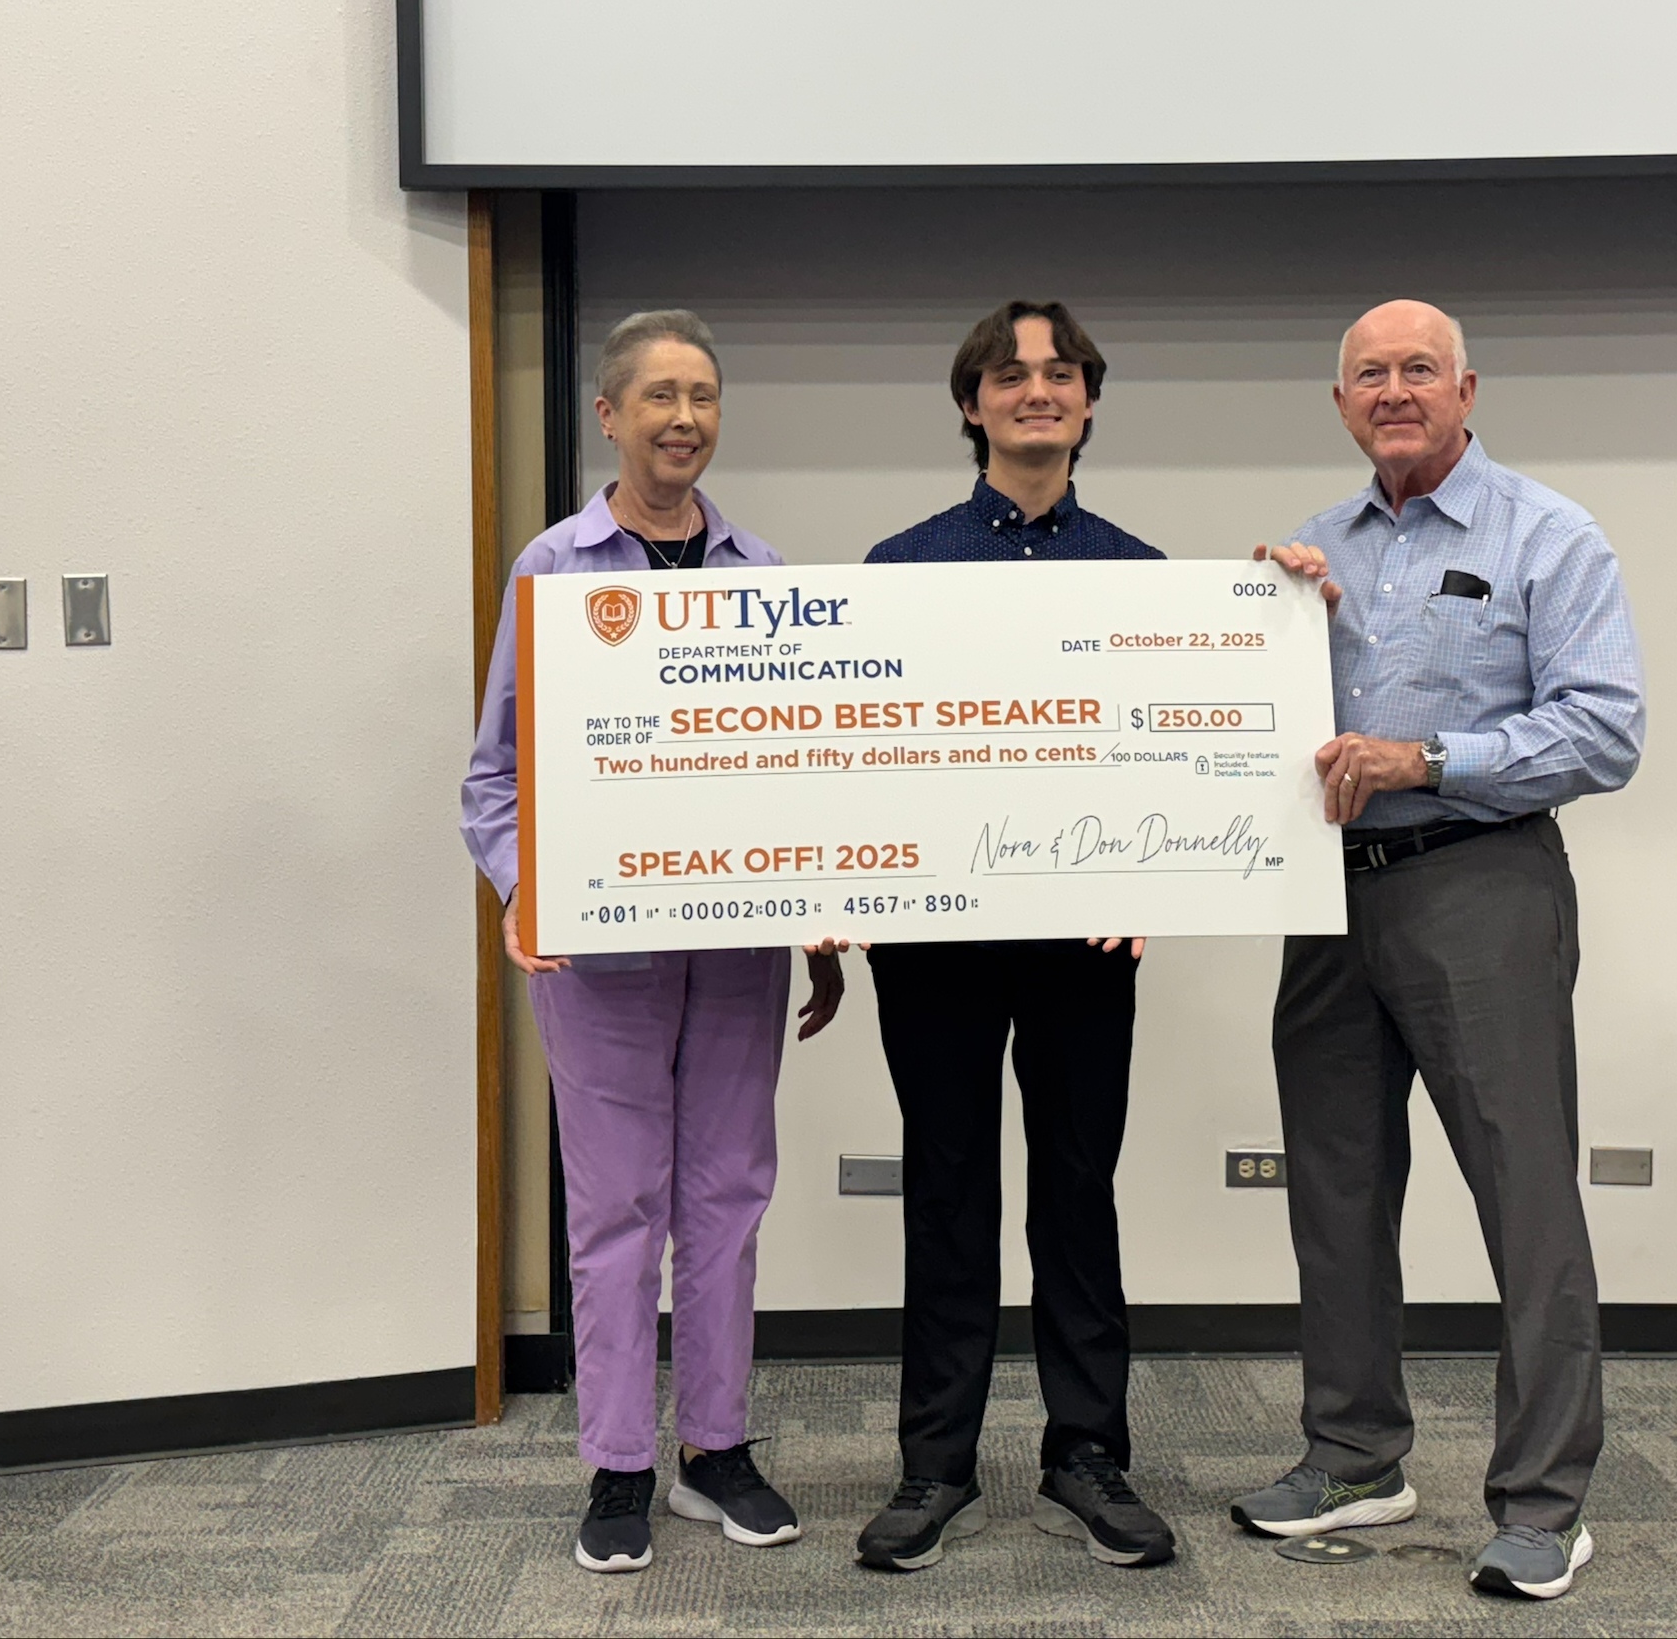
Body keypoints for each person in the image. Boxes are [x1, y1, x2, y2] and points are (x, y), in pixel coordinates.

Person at [1230, 299, 1644, 1602]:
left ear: (1467, 391)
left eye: (1420, 369)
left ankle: (1542, 1503)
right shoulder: (1313, 550)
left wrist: (1428, 759)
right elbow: (1271, 730)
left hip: (1481, 884)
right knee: (1334, 1192)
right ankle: (1353, 1455)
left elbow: (1605, 730)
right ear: (1340, 402)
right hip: (1329, 899)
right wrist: (1254, 630)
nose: (1394, 390)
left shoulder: (1547, 535)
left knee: (1524, 1195)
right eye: (1370, 373)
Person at [461, 309, 846, 1575]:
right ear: (609, 415)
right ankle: (619, 1461)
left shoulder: (765, 574)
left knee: (727, 1196)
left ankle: (714, 1449)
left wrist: (818, 914)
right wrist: (523, 888)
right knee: (617, 1202)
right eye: (659, 396)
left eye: (703, 396)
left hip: (736, 948)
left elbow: (794, 768)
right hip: (598, 955)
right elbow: (495, 777)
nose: (684, 418)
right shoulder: (552, 568)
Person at [850, 300, 1177, 1573]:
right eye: (1008, 374)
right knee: (946, 1189)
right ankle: (934, 1463)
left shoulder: (1146, 578)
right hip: (931, 940)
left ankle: (1086, 1453)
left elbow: (1168, 756)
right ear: (970, 404)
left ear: (1087, 400)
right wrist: (841, 876)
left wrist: (1154, 873)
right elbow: (861, 752)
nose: (1035, 390)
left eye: (1057, 372)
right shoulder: (897, 568)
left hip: (1084, 942)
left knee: (1077, 1188)